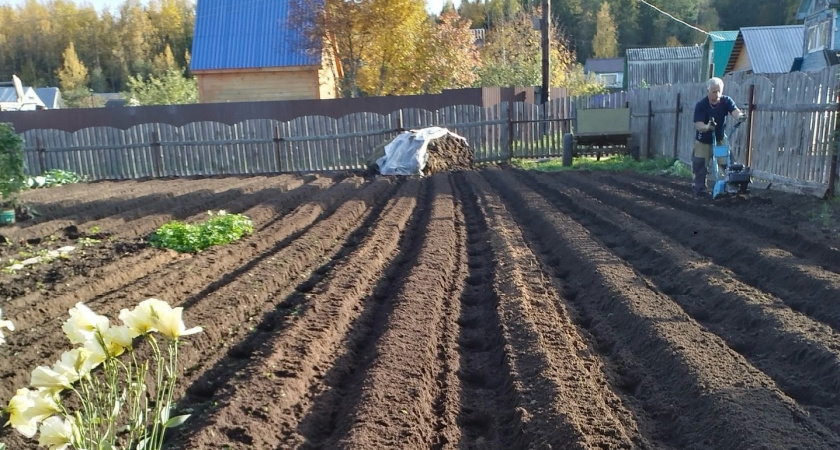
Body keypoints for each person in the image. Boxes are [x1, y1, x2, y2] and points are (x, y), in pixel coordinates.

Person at [692, 77, 747, 197]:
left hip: (720, 139)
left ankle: (733, 187)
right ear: (708, 91)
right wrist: (707, 127)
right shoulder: (701, 105)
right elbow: (698, 124)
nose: (717, 94)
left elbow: (735, 111)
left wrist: (740, 116)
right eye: (714, 91)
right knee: (700, 166)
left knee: (728, 164)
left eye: (719, 91)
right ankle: (700, 190)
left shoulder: (726, 101)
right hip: (703, 141)